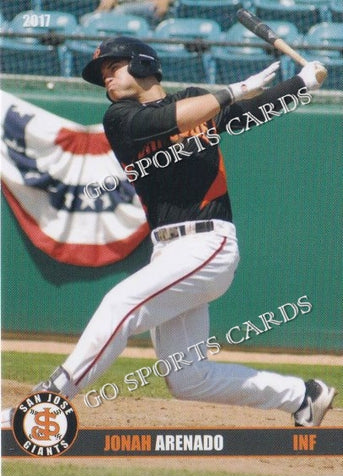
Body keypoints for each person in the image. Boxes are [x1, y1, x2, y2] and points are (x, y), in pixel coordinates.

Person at [2, 36, 336, 428]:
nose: (108, 80)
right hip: (168, 252)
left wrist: (302, 84)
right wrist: (233, 90)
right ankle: (303, 396)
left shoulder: (197, 99)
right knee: (188, 379)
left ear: (144, 63)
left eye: (115, 69)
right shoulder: (120, 119)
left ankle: (47, 405)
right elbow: (163, 120)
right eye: (104, 76)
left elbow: (246, 114)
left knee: (120, 303)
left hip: (208, 244)